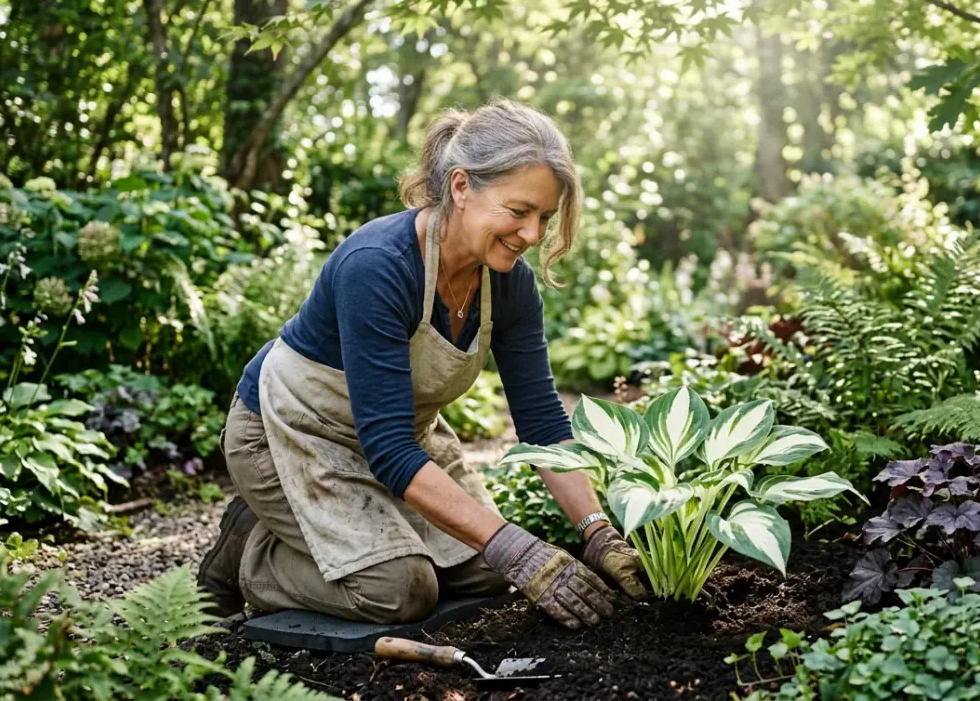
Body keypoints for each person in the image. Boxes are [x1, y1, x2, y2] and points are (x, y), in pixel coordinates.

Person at [197, 99, 646, 630]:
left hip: (396, 438)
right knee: (398, 591)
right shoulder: (378, 267)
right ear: (461, 187)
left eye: (544, 218)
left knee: (487, 574)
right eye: (519, 211)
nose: (532, 235)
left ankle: (351, 540)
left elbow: (543, 422)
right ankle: (248, 552)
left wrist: (599, 534)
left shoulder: (509, 284)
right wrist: (517, 548)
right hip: (290, 434)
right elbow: (388, 449)